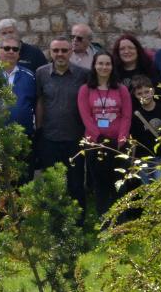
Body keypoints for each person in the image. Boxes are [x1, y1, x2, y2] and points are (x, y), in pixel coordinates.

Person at [33, 38, 88, 202]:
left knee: (76, 183)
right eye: (56, 50)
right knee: (51, 183)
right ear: (50, 52)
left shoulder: (83, 74)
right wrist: (39, 129)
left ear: (71, 52)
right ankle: (53, 222)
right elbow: (40, 101)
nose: (60, 54)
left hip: (75, 137)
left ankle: (77, 222)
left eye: (64, 50)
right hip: (50, 137)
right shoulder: (41, 73)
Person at [77, 52, 131, 216]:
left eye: (107, 64)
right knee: (100, 185)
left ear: (112, 67)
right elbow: (86, 116)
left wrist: (121, 139)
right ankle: (104, 220)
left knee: (119, 184)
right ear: (94, 65)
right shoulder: (85, 89)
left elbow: (127, 115)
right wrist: (99, 138)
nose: (104, 67)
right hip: (95, 144)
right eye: (100, 63)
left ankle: (121, 220)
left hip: (118, 144)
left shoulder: (121, 89)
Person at [0, 40, 38, 138]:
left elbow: (35, 103)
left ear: (18, 54)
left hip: (23, 136)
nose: (11, 51)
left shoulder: (29, 76)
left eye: (15, 49)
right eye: (7, 48)